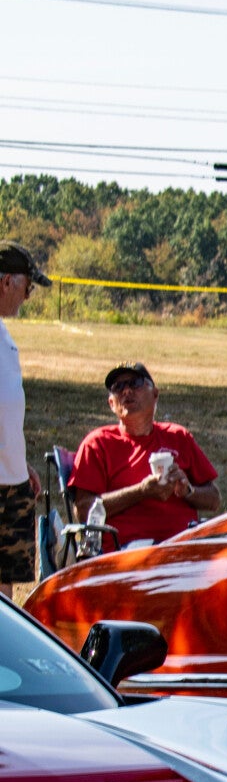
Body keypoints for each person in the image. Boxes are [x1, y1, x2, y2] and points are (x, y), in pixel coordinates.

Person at [68, 362, 219, 550]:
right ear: (111, 404)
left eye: (135, 383)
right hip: (128, 550)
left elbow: (214, 499)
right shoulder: (98, 443)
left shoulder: (178, 437)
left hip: (184, 545)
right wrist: (140, 492)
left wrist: (188, 490)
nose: (126, 391)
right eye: (118, 387)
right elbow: (84, 510)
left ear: (155, 394)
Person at [0, 242, 47, 596]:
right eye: (27, 287)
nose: (27, 297)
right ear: (6, 283)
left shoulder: (4, 334)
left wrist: (19, 461)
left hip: (12, 482)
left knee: (6, 592)